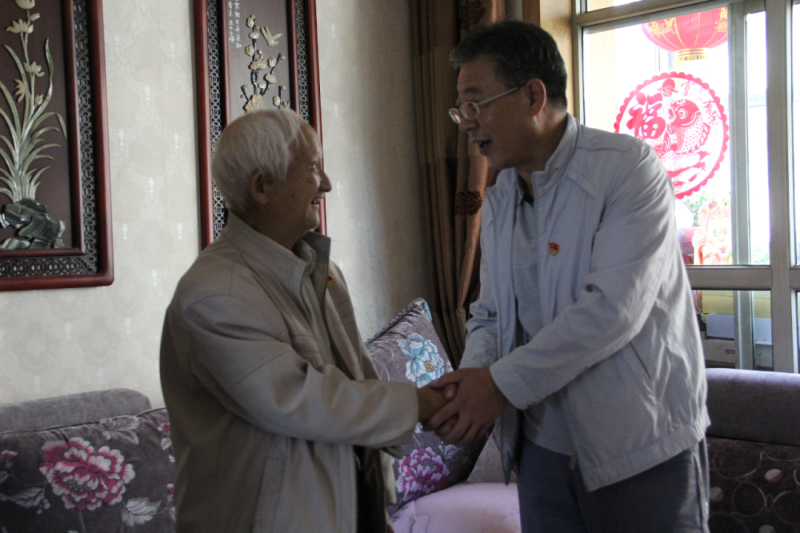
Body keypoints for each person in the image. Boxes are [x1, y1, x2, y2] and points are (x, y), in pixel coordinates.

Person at [428, 20, 710, 532]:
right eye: (461, 109)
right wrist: (471, 387)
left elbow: (612, 310)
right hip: (541, 452)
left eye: (476, 103)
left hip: (637, 446)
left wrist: (499, 385)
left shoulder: (626, 169)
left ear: (533, 96)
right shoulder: (500, 198)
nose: (466, 123)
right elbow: (490, 315)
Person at [160, 109, 446, 533]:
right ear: (262, 186)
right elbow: (305, 401)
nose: (326, 184)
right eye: (312, 168)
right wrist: (418, 404)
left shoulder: (322, 271)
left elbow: (359, 381)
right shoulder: (214, 295)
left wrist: (376, 510)